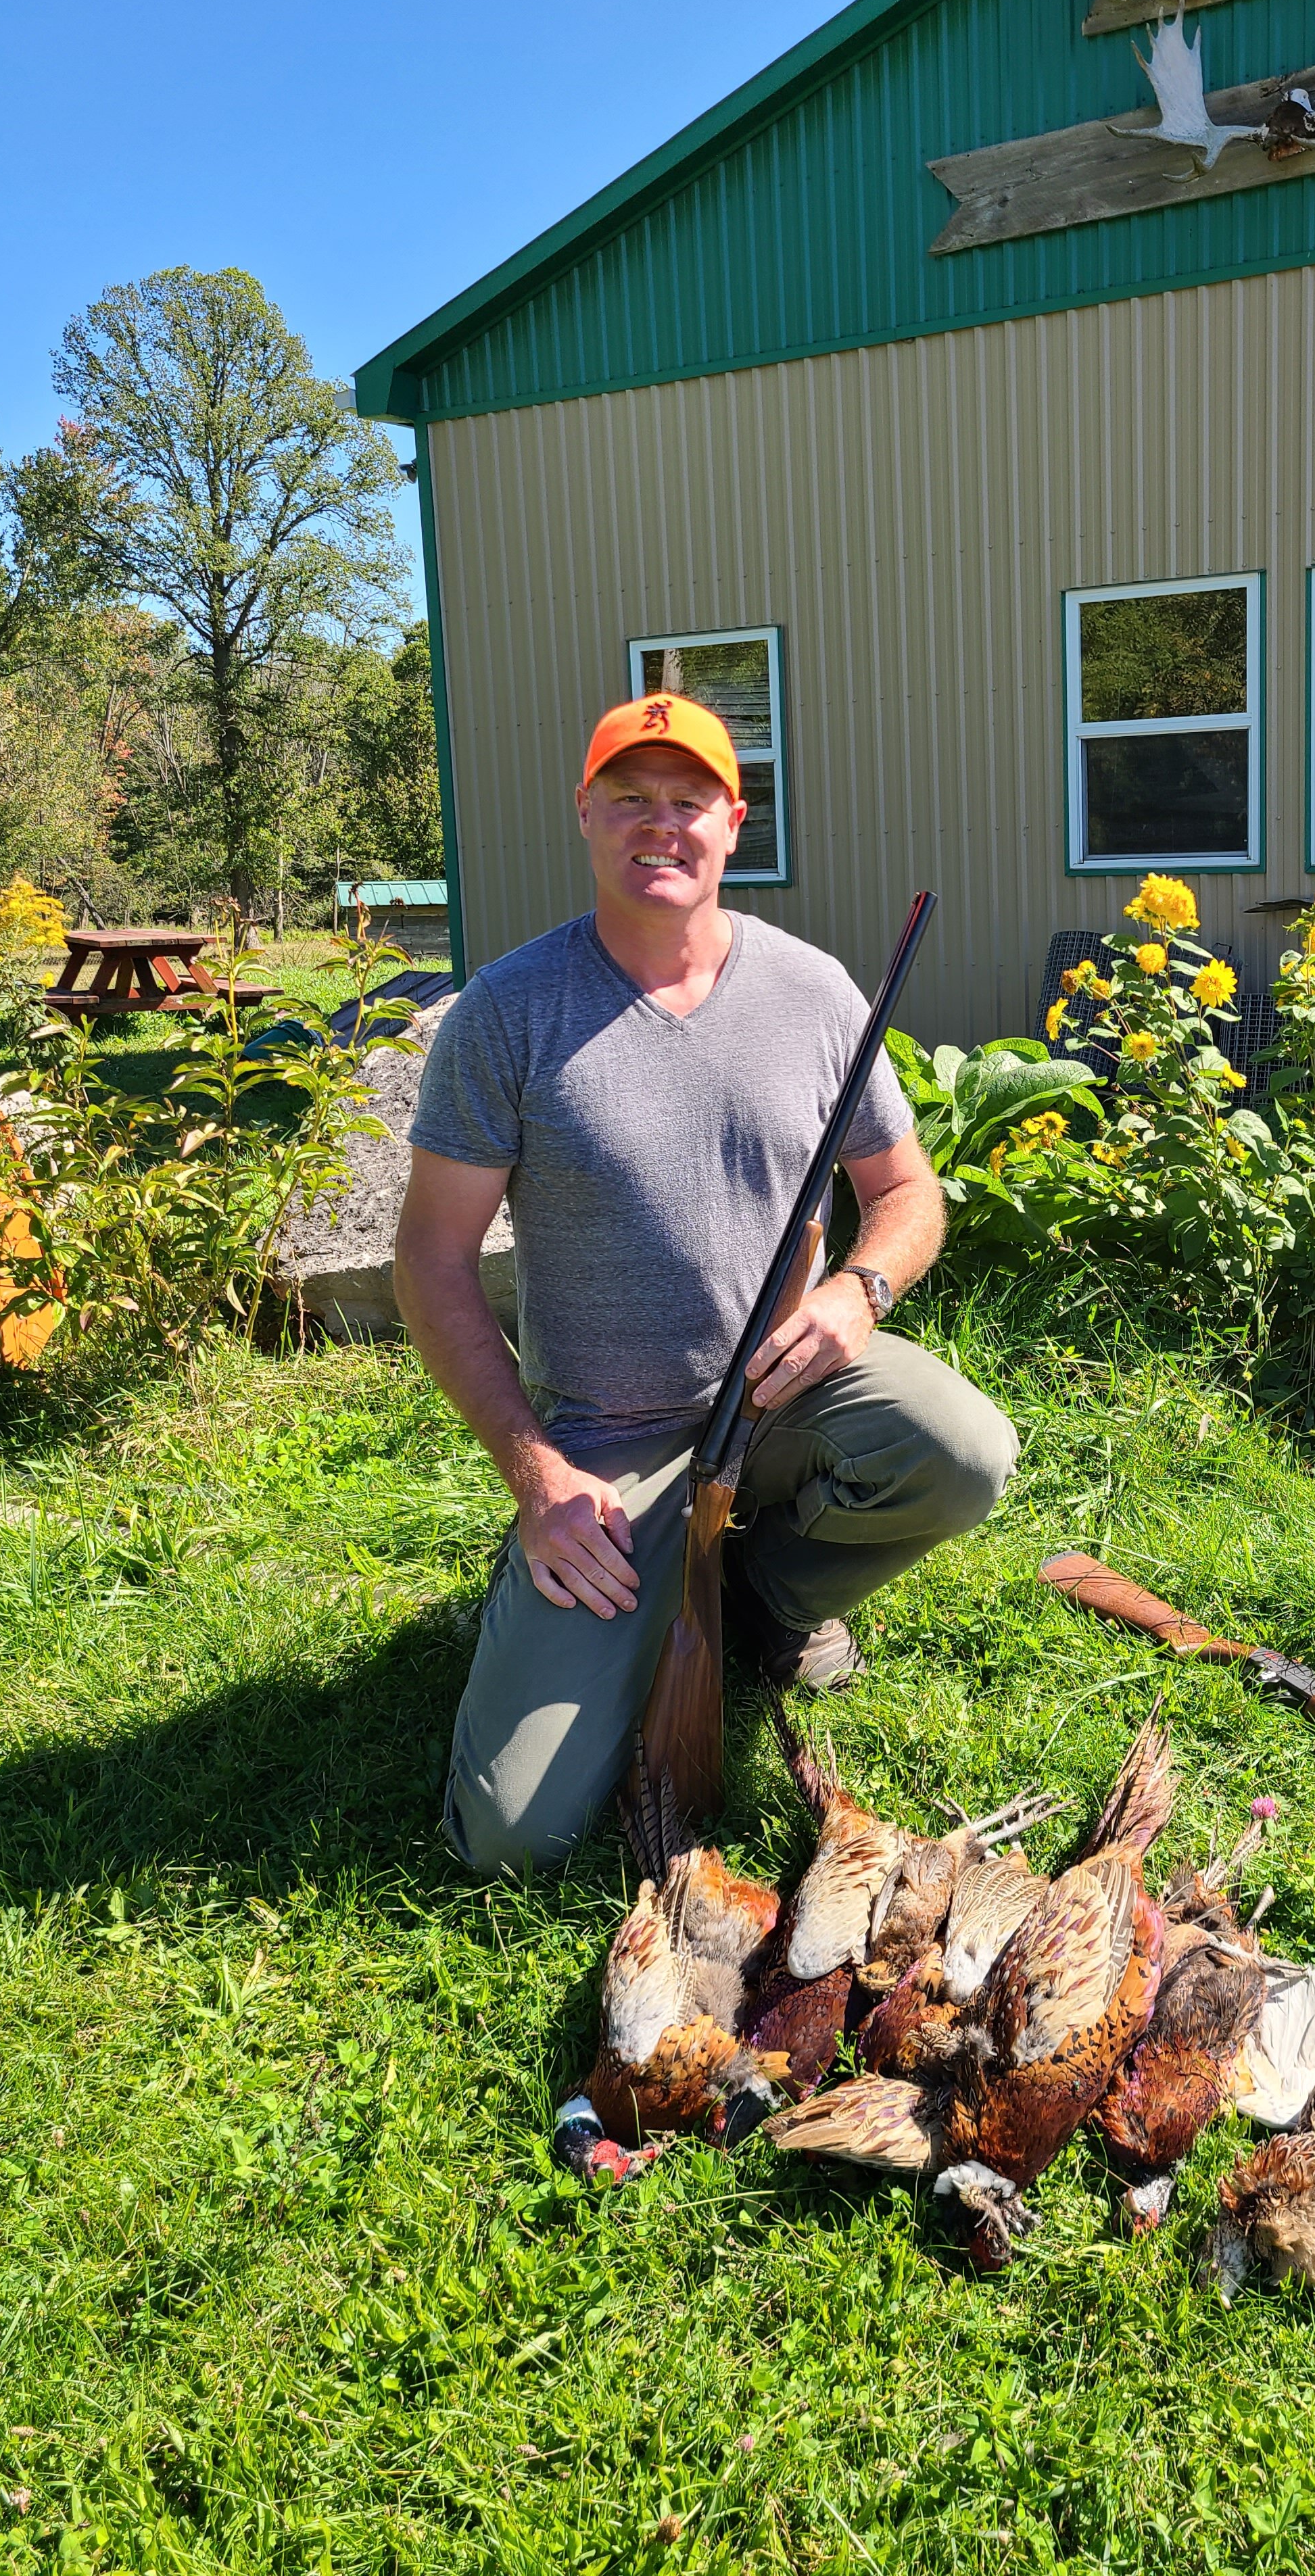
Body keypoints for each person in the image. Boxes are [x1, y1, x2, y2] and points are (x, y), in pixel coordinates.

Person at [392, 689, 1018, 1872]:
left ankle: (766, 1594)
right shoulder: (508, 1014)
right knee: (511, 1842)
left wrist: (857, 1297)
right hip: (606, 1445)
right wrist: (538, 1479)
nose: (660, 825)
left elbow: (909, 1195)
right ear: (585, 813)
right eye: (630, 798)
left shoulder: (817, 991)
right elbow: (430, 1257)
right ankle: (597, 1574)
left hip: (786, 1400)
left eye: (689, 801)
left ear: (735, 822)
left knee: (961, 1448)